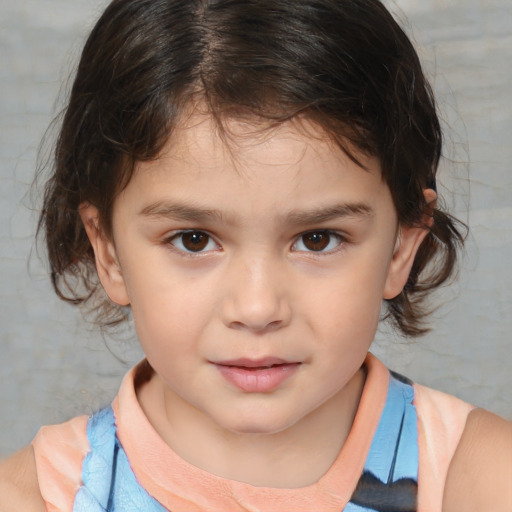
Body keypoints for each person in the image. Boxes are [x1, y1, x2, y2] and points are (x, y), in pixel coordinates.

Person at [1, 0, 511, 510]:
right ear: (108, 251)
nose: (257, 308)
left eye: (317, 239)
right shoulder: (33, 498)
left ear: (402, 244)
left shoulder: (483, 481)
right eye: (193, 240)